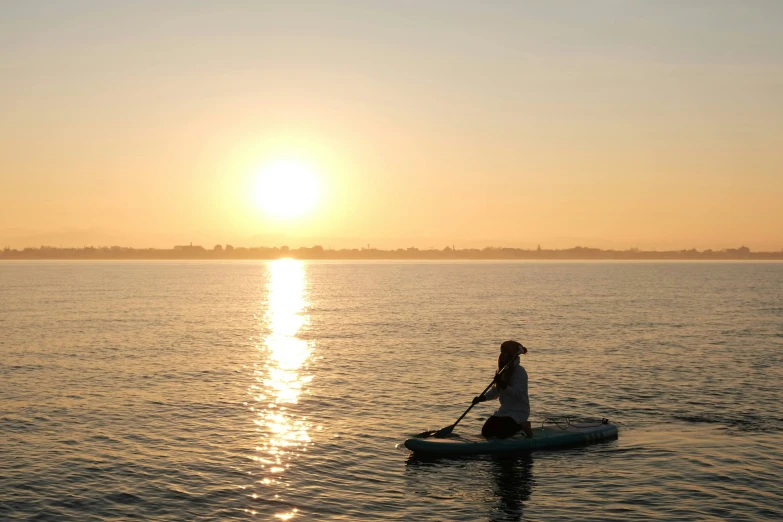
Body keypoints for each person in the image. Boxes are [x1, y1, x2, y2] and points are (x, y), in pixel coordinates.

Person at [472, 340, 534, 439]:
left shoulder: (520, 372)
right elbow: (496, 392)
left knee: (501, 434)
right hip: (504, 411)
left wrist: (503, 384)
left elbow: (517, 394)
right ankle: (513, 427)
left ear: (512, 355)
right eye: (501, 352)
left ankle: (523, 425)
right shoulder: (500, 371)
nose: (502, 355)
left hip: (519, 412)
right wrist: (482, 398)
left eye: (505, 353)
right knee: (486, 432)